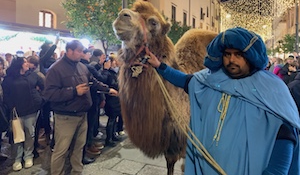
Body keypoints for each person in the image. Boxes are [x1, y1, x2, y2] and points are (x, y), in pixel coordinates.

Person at [147, 27, 300, 175]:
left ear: (250, 56)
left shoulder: (271, 89)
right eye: (227, 54)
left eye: (238, 54)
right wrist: (160, 66)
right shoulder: (212, 79)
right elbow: (185, 81)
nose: (231, 60)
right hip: (208, 167)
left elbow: (286, 135)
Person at [44, 40, 117, 175]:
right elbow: (49, 94)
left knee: (78, 148)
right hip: (66, 117)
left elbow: (93, 82)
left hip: (82, 115)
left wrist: (107, 89)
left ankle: (77, 171)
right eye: (79, 51)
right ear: (69, 51)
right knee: (61, 150)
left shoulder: (82, 67)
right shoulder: (56, 69)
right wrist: (73, 91)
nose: (82, 54)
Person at [2, 57, 44, 171]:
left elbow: (43, 85)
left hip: (32, 109)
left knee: (30, 134)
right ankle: (17, 158)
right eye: (25, 62)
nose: (27, 64)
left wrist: (40, 99)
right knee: (18, 136)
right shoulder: (9, 78)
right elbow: (6, 95)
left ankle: (28, 156)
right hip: (16, 112)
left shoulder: (32, 75)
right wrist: (11, 107)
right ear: (19, 64)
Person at [102, 56, 122, 147]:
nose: (115, 62)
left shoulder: (114, 72)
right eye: (113, 61)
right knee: (111, 118)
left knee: (114, 118)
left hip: (116, 98)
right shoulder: (107, 73)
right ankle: (108, 139)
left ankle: (113, 135)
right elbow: (111, 83)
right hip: (111, 98)